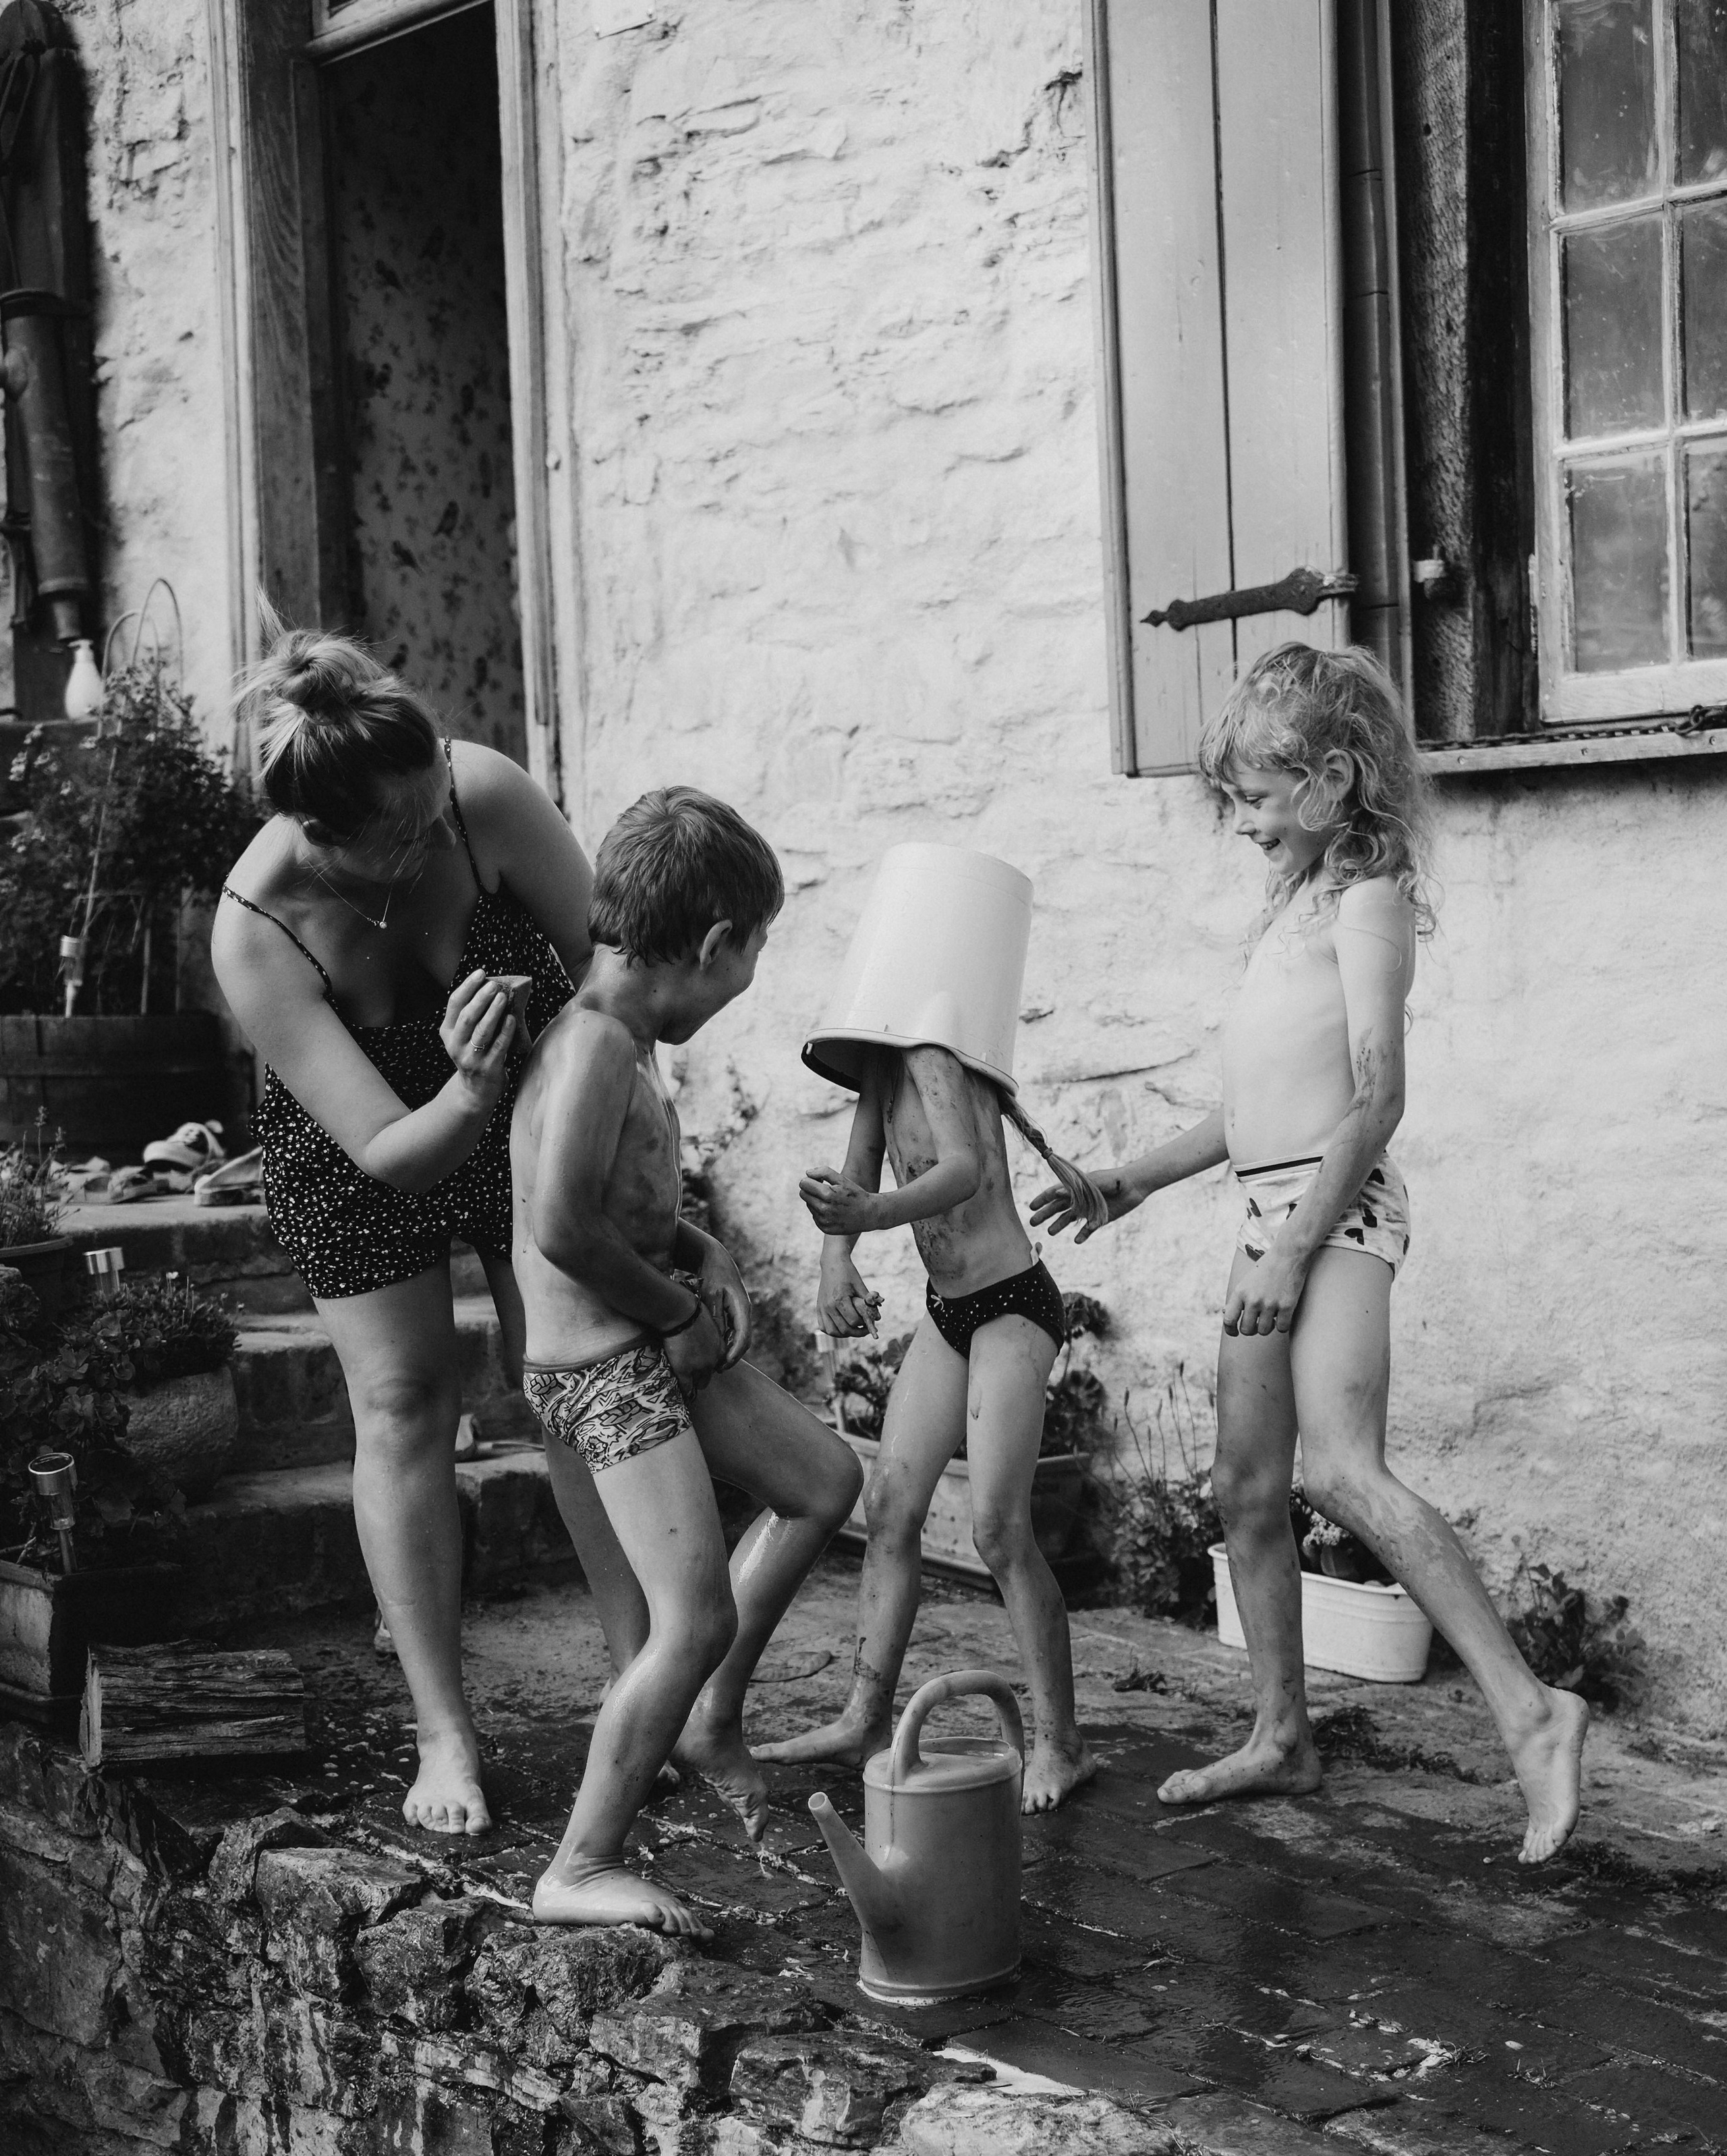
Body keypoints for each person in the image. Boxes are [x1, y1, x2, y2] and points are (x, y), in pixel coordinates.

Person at [1031, 642, 1588, 1864]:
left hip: (1327, 1217)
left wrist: (1293, 1248)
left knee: (1338, 1469)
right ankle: (1283, 1733)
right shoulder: (1289, 907)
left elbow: (1376, 1100)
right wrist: (1126, 1183)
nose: (1240, 824)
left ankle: (1534, 1714)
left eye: (1257, 798)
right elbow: (1253, 1113)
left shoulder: (1367, 900)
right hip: (1268, 1214)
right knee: (1243, 1487)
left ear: (1336, 782)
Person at [213, 624, 743, 1842]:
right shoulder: (258, 932)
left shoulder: (479, 791)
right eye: (398, 838)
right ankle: (443, 1725)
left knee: (568, 1374)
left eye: (431, 816)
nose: (425, 846)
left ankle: (635, 1675)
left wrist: (661, 1202)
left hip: (528, 1117)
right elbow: (392, 1153)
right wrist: (462, 1087)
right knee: (405, 1404)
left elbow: (618, 982)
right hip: (372, 1149)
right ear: (320, 836)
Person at [511, 786, 862, 1937]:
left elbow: (622, 1198)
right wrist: (672, 1311)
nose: (749, 976)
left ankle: (708, 1723)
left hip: (648, 1351)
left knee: (822, 1483)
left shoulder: (627, 1036)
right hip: (607, 1372)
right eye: (753, 953)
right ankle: (581, 1862)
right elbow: (561, 1223)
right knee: (692, 1617)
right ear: (715, 944)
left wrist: (700, 1247)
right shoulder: (597, 1046)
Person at [752, 1043, 1100, 1812]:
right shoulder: (880, 1064)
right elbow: (859, 1168)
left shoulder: (936, 1050)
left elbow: (963, 1168)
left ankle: (1061, 1744)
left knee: (999, 1531)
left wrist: (869, 1217)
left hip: (1011, 1301)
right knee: (890, 1508)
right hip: (949, 1312)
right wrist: (834, 1259)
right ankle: (863, 1720)